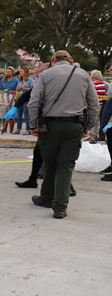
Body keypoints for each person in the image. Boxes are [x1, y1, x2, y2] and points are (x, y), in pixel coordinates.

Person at [27, 50, 99, 219]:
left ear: (54, 60)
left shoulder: (46, 75)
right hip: (74, 126)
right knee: (65, 166)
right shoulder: (83, 75)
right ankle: (59, 206)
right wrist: (87, 126)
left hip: (50, 126)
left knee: (50, 163)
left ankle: (46, 198)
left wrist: (33, 125)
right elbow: (94, 104)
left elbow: (34, 102)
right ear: (69, 60)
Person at [0, 67, 19, 134]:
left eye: (9, 72)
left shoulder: (16, 81)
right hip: (4, 99)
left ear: (12, 73)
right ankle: (4, 130)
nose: (7, 73)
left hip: (12, 99)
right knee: (4, 115)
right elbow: (1, 89)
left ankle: (11, 131)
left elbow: (17, 90)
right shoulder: (3, 80)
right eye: (7, 72)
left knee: (11, 116)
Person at [89, 69, 108, 143]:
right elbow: (104, 95)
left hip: (94, 105)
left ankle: (92, 137)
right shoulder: (103, 84)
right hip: (101, 104)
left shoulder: (93, 84)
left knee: (93, 119)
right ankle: (97, 135)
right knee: (98, 120)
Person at [13, 67, 34, 134]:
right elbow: (16, 89)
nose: (20, 73)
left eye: (22, 71)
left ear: (25, 72)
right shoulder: (19, 80)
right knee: (19, 115)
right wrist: (18, 89)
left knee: (26, 115)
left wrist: (24, 88)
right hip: (19, 98)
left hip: (26, 99)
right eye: (20, 71)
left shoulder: (30, 80)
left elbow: (33, 89)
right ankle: (18, 128)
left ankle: (28, 129)